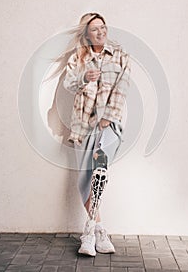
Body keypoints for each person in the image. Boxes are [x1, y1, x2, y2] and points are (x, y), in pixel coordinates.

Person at [62, 13, 131, 256]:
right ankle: (96, 230)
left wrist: (106, 118)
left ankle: (89, 232)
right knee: (85, 181)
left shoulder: (121, 56)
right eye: (94, 29)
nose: (101, 32)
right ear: (86, 34)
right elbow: (68, 84)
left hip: (109, 126)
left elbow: (122, 90)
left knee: (99, 169)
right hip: (83, 126)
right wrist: (84, 77)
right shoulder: (78, 58)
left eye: (103, 27)